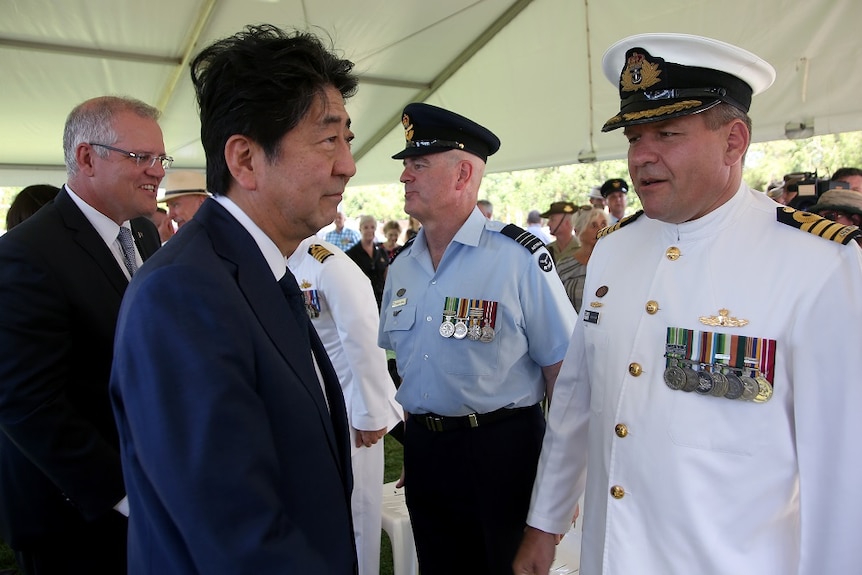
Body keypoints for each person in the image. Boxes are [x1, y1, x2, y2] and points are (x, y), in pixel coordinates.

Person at [514, 33, 862, 575]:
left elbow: (844, 476)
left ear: (734, 141)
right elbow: (578, 403)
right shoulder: (614, 252)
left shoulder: (819, 268)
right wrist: (545, 523)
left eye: (667, 133)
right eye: (634, 136)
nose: (641, 156)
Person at [109, 25, 359, 574]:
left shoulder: (260, 270)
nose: (348, 164)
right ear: (245, 159)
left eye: (348, 140)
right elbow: (235, 533)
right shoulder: (181, 296)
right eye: (328, 139)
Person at [379, 102, 576, 575]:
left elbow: (563, 376)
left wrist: (558, 488)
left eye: (418, 164)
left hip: (502, 455)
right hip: (427, 454)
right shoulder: (403, 265)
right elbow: (410, 365)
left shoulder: (518, 259)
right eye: (406, 165)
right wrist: (416, 445)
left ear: (463, 173)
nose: (405, 176)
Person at [0, 95, 164, 574]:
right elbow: (26, 402)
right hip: (76, 513)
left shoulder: (143, 233)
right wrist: (125, 493)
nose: (157, 171)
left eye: (160, 159)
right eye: (141, 158)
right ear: (87, 158)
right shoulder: (26, 256)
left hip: (146, 480)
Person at [287, 235, 402, 575]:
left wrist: (369, 414)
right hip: (306, 411)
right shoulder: (275, 258)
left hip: (350, 418)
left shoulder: (329, 265)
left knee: (358, 517)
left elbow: (366, 342)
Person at [555, 205, 609, 313]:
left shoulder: (614, 262)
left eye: (603, 224)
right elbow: (556, 302)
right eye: (593, 225)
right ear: (578, 231)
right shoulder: (564, 266)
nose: (600, 229)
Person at [346, 214, 389, 309]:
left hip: (382, 301)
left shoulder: (382, 251)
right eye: (366, 227)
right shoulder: (351, 254)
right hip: (362, 302)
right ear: (360, 229)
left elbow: (387, 276)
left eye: (372, 227)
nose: (369, 230)